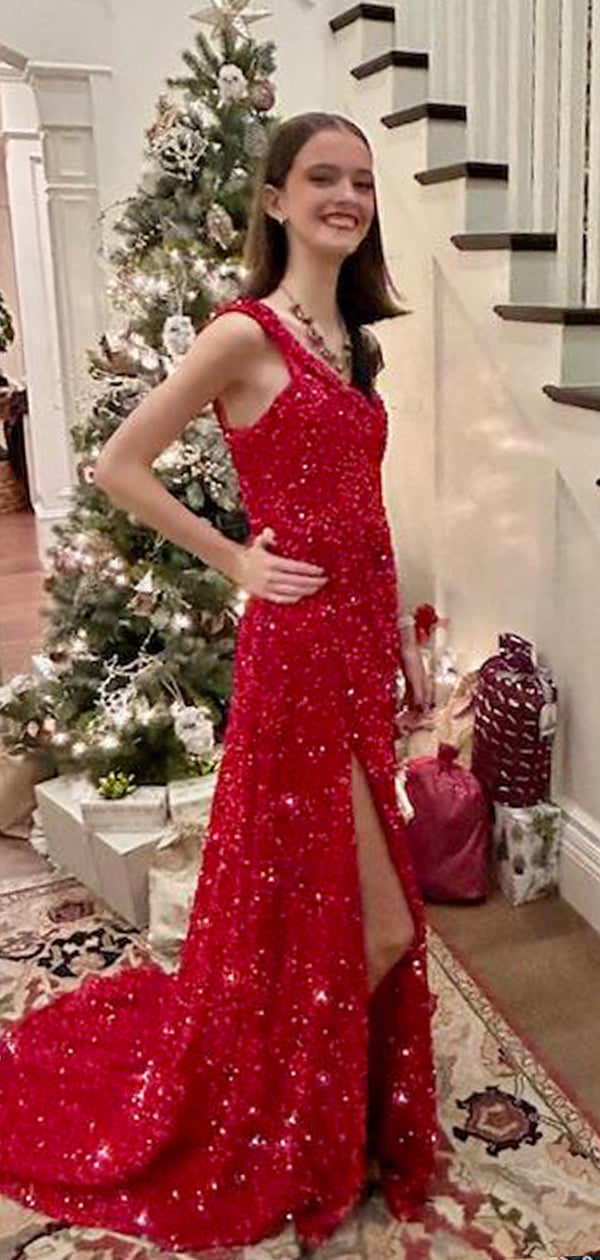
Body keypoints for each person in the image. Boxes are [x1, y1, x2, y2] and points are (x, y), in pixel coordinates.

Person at [0, 112, 437, 1254]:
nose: (347, 197)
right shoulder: (244, 335)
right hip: (296, 656)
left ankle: (325, 1109)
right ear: (277, 200)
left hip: (356, 644)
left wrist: (401, 641)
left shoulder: (354, 340)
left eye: (362, 181)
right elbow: (118, 464)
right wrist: (237, 559)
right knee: (378, 924)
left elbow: (367, 511)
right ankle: (293, 1125)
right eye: (323, 178)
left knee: (326, 904)